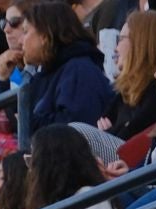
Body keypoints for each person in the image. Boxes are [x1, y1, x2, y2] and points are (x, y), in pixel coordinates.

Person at [21, 0, 115, 136]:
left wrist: (29, 121)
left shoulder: (80, 71)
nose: (21, 41)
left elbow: (77, 129)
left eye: (25, 32)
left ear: (44, 36)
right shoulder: (50, 73)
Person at [106, 11, 156, 140]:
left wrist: (109, 131)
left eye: (121, 39)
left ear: (140, 43)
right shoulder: (124, 93)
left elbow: (125, 138)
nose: (116, 48)